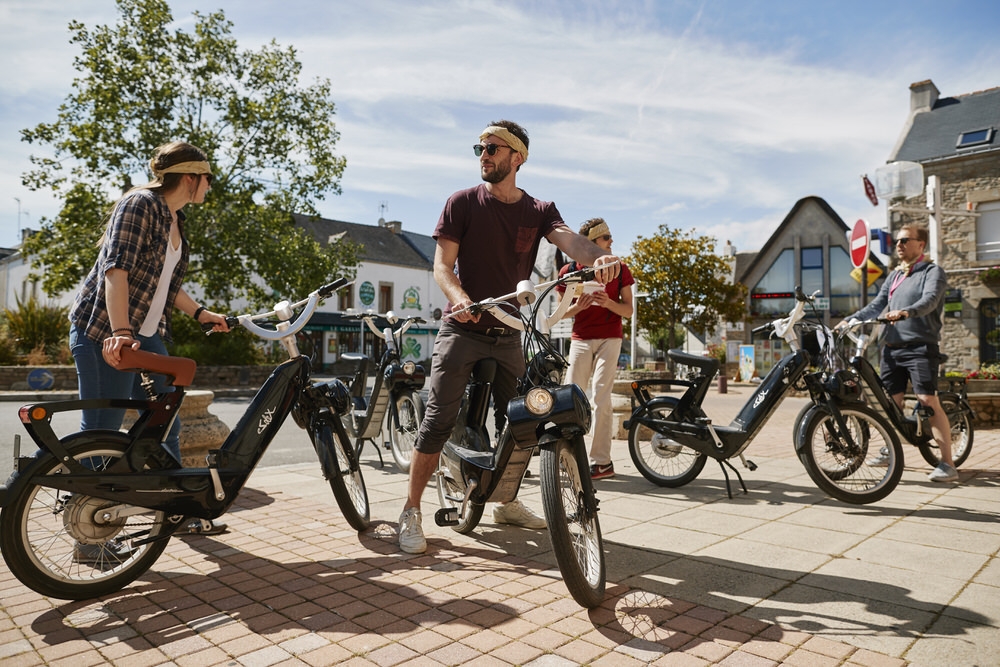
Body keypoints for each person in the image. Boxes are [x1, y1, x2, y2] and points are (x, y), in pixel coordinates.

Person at [397, 120, 620, 554]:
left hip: (510, 332)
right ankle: (411, 510)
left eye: (493, 148)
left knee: (521, 423)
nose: (484, 154)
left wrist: (601, 257)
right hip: (463, 328)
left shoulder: (538, 210)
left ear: (516, 157)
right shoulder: (461, 203)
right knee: (439, 418)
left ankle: (506, 502)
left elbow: (571, 242)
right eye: (479, 147)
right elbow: (443, 267)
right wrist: (460, 298)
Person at [69, 141, 232, 555]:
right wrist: (121, 331)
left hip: (145, 332)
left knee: (168, 422)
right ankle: (87, 537)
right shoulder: (141, 204)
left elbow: (166, 286)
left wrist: (200, 313)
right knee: (101, 433)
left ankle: (176, 510)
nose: (210, 187)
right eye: (208, 179)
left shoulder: (175, 219)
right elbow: (115, 270)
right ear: (191, 177)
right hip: (103, 331)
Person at [837, 222, 956, 482]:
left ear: (920, 244)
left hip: (920, 347)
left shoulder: (932, 272)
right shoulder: (895, 276)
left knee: (927, 400)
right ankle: (889, 450)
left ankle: (947, 463)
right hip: (891, 348)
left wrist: (906, 312)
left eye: (905, 240)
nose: (899, 245)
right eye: (898, 241)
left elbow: (930, 300)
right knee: (889, 404)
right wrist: (850, 320)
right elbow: (877, 304)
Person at [557, 219, 634, 479]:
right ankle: (566, 457)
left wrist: (607, 303)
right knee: (569, 397)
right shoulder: (568, 270)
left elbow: (628, 310)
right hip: (580, 338)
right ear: (590, 243)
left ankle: (601, 462)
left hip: (610, 338)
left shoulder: (620, 268)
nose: (611, 241)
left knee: (601, 396)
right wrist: (578, 307)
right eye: (606, 237)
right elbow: (560, 313)